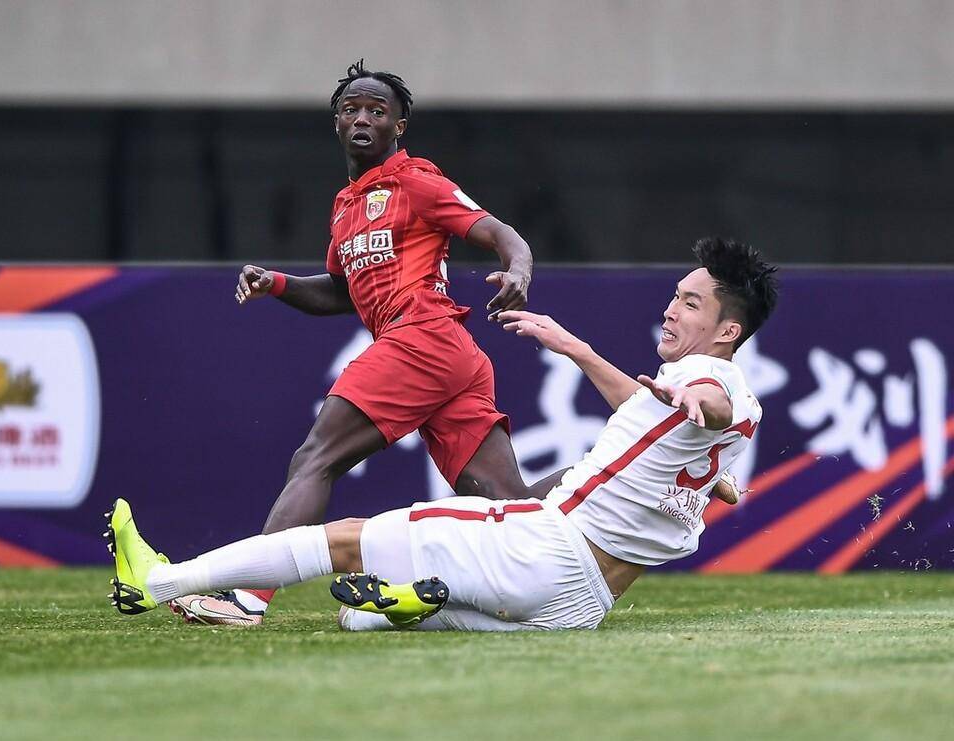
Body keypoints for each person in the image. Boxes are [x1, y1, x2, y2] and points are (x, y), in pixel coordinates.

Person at [108, 238, 778, 631]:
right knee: (356, 617)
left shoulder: (705, 383)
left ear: (728, 331)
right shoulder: (720, 412)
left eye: (690, 302)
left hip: (545, 551)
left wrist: (694, 397)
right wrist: (574, 346)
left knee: (341, 541)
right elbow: (659, 412)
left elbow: (709, 400)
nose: (671, 307)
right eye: (676, 293)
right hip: (580, 607)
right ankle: (411, 597)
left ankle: (160, 580)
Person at [173, 60, 538, 625]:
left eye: (377, 110)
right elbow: (341, 292)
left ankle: (247, 599)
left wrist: (517, 271)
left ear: (399, 126)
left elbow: (500, 232)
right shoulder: (346, 207)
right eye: (352, 109)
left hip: (421, 337)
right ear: (338, 123)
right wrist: (277, 284)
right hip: (449, 356)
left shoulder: (417, 182)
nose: (363, 118)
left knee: (316, 458)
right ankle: (598, 507)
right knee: (506, 499)